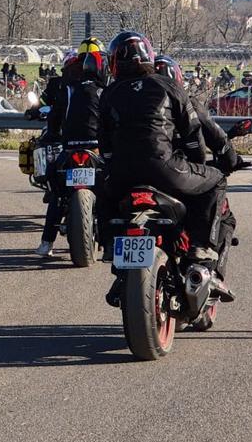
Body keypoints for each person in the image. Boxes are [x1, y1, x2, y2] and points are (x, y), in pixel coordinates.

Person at [98, 32, 235, 284]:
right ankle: (201, 246)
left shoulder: (108, 94)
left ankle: (108, 241)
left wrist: (113, 168)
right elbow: (194, 137)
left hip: (120, 176)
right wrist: (198, 165)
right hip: (166, 170)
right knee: (216, 180)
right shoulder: (169, 86)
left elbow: (104, 146)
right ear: (148, 56)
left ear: (115, 61)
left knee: (101, 184)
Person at [34, 38, 107, 258]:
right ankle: (109, 242)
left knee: (56, 192)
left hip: (69, 149)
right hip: (96, 150)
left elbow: (55, 117)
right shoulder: (105, 90)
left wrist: (55, 133)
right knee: (109, 190)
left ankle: (46, 243)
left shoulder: (68, 87)